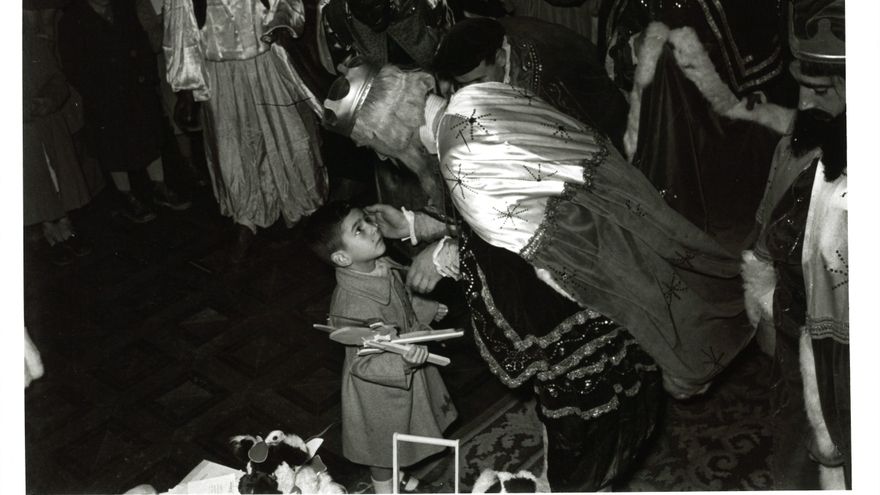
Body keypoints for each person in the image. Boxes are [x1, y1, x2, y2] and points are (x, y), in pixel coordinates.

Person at [324, 65, 755, 490]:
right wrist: (419, 225)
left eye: (376, 146)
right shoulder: (474, 99)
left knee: (585, 456)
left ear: (388, 133)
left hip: (585, 315)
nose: (381, 157)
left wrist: (440, 257)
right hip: (620, 239)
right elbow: (519, 199)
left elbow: (524, 260)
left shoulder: (460, 165)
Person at [741, 0, 848, 489]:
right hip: (792, 324)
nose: (805, 106)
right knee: (795, 442)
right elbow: (764, 235)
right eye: (802, 88)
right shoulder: (798, 141)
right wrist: (765, 310)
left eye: (823, 91)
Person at [303, 201, 457, 494]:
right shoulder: (351, 304)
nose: (374, 229)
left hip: (405, 368)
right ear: (342, 258)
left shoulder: (380, 266)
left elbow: (402, 300)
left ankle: (395, 477)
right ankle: (385, 487)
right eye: (359, 230)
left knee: (406, 433)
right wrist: (404, 364)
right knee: (383, 449)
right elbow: (362, 364)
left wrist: (427, 308)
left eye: (367, 221)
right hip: (379, 388)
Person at [164, 0, 328, 261]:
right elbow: (180, 24)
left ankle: (302, 209)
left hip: (266, 62)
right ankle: (246, 217)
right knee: (233, 149)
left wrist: (283, 23)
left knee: (286, 136)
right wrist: (184, 90)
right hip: (219, 72)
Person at [58, 0, 191, 224]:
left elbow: (142, 44)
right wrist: (97, 90)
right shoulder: (72, 20)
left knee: (149, 135)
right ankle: (126, 195)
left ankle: (159, 186)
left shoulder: (123, 8)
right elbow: (73, 67)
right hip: (104, 95)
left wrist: (146, 76)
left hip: (135, 86)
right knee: (113, 144)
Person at [431, 16, 629, 153]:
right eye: (464, 85)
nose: (473, 92)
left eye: (480, 81)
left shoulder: (548, 76)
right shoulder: (486, 37)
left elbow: (583, 136)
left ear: (500, 58)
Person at [23, 3, 104, 265]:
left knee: (58, 177)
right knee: (32, 185)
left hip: (45, 121)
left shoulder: (27, 41)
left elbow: (55, 77)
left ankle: (66, 227)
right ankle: (46, 232)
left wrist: (46, 100)